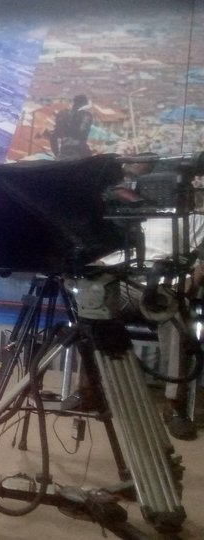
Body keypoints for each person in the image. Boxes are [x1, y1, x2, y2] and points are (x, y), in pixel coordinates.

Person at [106, 157, 200, 440]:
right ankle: (90, 388)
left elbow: (201, 268)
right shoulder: (136, 213)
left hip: (165, 290)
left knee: (176, 319)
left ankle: (173, 404)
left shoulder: (197, 219)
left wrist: (186, 289)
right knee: (94, 304)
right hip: (126, 283)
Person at [52, 94, 93, 160]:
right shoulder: (87, 115)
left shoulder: (63, 114)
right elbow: (81, 132)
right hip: (80, 153)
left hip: (64, 152)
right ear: (84, 104)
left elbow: (53, 137)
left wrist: (57, 154)